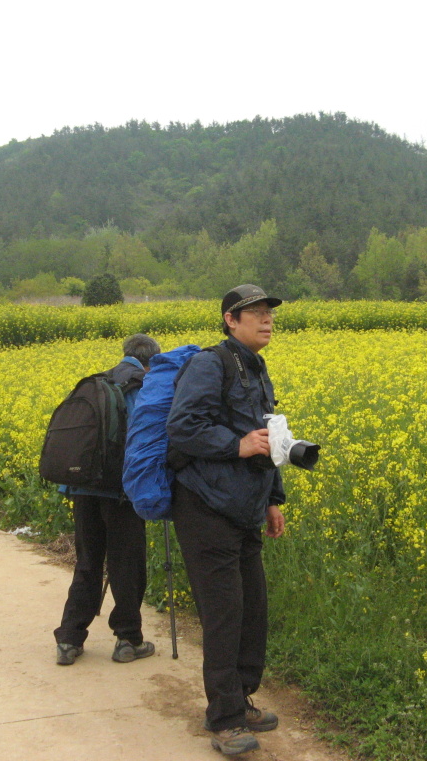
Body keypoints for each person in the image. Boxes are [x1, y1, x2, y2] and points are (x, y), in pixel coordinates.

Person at [166, 284, 287, 756]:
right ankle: (225, 719)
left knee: (252, 610)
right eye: (253, 312)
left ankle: (241, 697)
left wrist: (273, 499)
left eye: (268, 312)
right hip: (204, 507)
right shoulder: (208, 365)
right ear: (229, 320)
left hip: (245, 508)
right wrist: (234, 445)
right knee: (224, 614)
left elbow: (269, 438)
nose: (266, 319)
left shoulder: (256, 370)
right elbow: (183, 425)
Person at [54, 333, 162, 666]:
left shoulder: (97, 382)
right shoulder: (143, 387)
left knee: (87, 562)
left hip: (82, 487)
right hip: (121, 493)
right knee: (125, 564)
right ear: (151, 361)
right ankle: (128, 639)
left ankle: (70, 640)